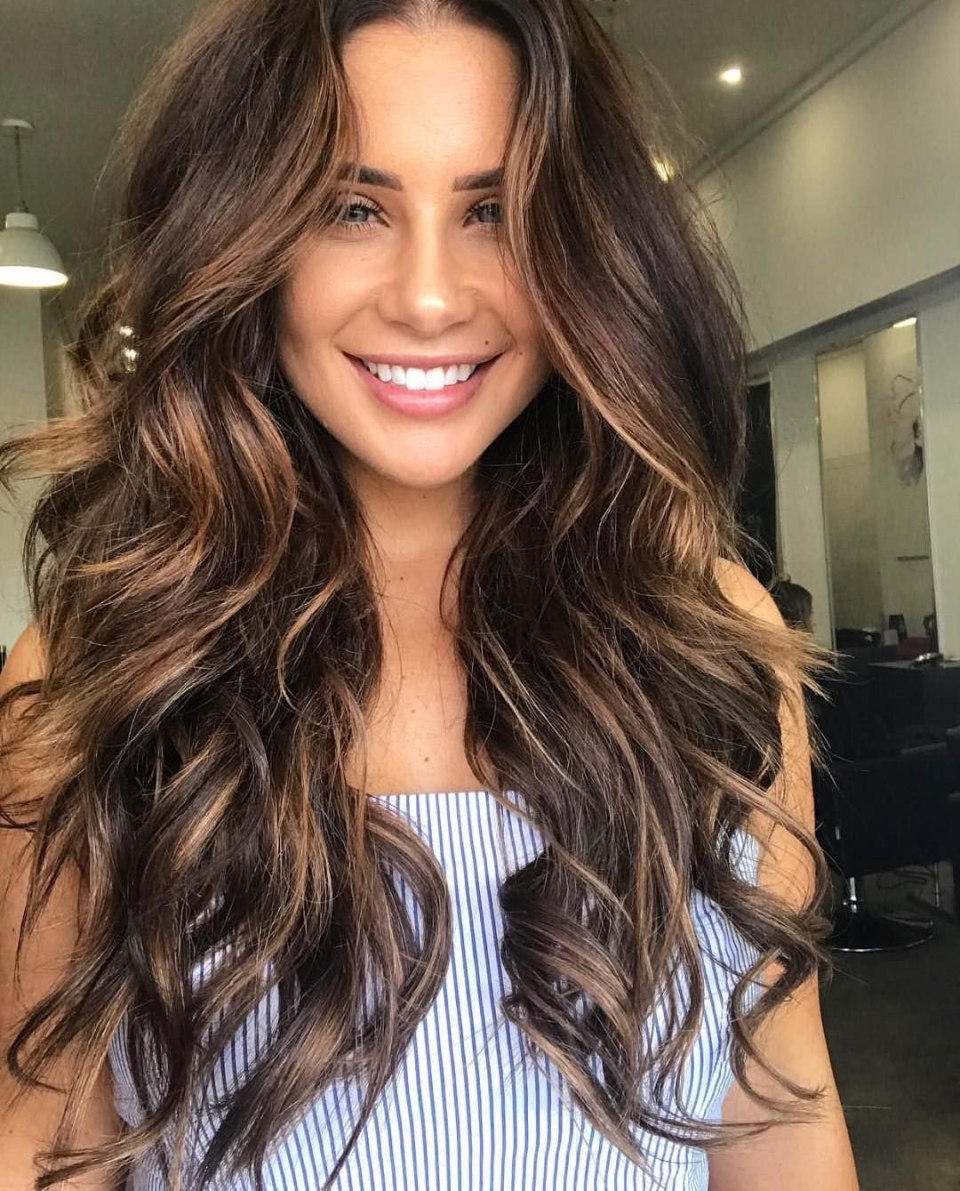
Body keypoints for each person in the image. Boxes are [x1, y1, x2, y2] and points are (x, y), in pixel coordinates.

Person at [0, 1, 859, 1188]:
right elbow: (46, 1143)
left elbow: (779, 1107)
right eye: (351, 208)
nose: (431, 297)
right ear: (245, 242)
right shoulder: (103, 665)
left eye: (495, 212)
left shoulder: (709, 638)